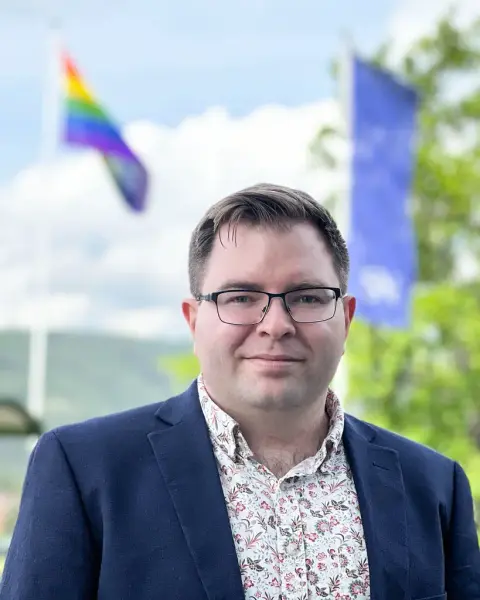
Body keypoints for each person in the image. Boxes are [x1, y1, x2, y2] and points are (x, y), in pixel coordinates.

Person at [1, 183, 479, 600]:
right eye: (241, 297)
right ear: (194, 320)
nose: (276, 324)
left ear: (346, 318)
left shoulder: (434, 486)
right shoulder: (86, 470)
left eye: (307, 297)